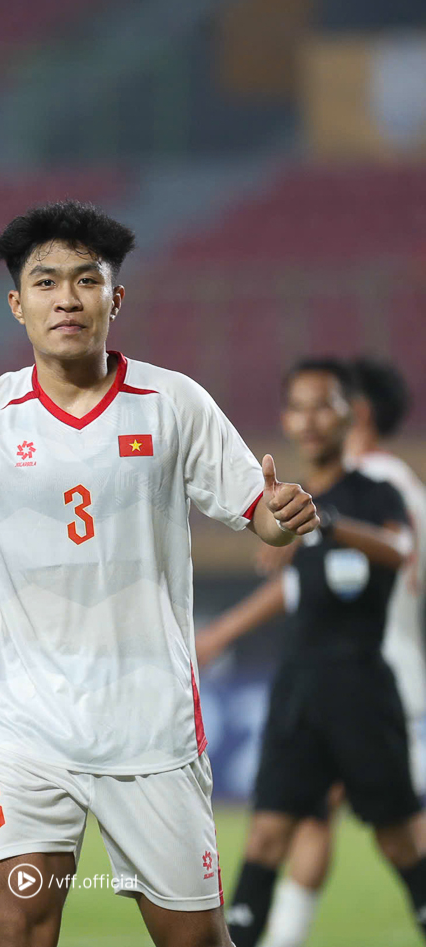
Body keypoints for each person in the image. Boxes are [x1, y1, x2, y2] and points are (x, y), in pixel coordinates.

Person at [0, 200, 317, 947]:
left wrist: (284, 514)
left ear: (115, 299)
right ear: (16, 303)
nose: (66, 298)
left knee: (193, 938)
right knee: (19, 923)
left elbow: (261, 514)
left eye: (86, 281)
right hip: (28, 731)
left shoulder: (173, 403)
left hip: (149, 726)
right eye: (46, 282)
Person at [195, 359, 426, 947]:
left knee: (399, 838)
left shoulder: (376, 488)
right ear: (285, 420)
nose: (311, 419)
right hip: (298, 691)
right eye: (299, 407)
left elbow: (400, 549)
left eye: (325, 405)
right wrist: (280, 534)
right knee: (268, 835)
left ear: (352, 414)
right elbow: (291, 582)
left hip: (364, 687)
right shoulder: (292, 501)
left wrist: (326, 523)